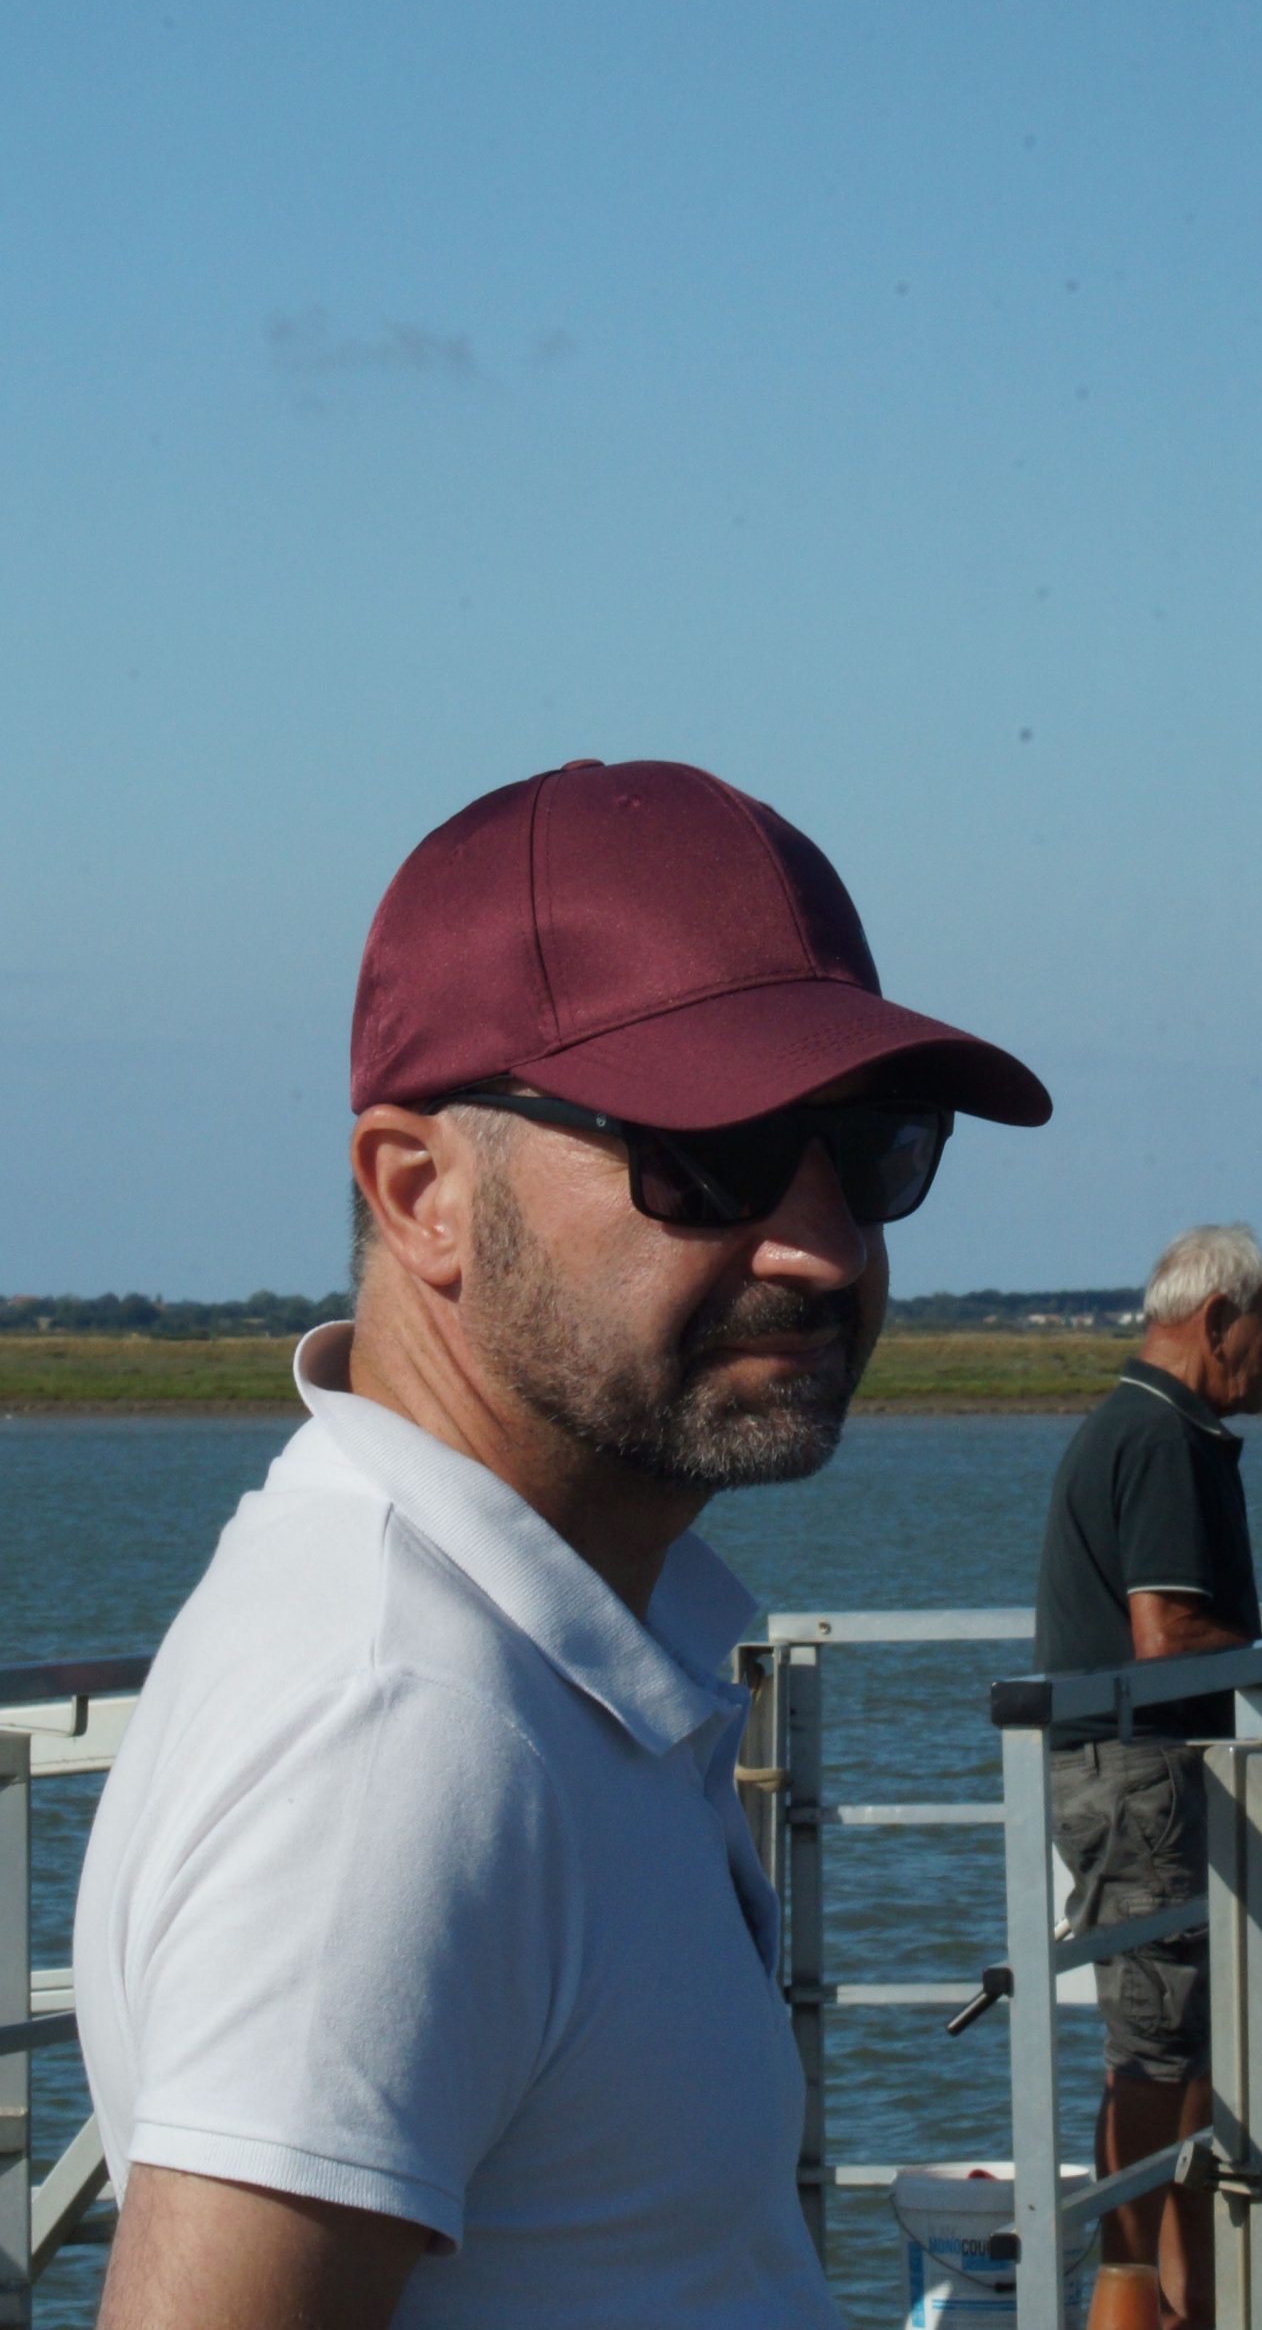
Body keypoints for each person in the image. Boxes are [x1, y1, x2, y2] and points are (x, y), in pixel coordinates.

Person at [75, 756, 1051, 2330]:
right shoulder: (393, 1732)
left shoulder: (518, 1654)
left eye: (873, 1146)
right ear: (421, 1195)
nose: (824, 1246)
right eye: (712, 1153)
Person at [1034, 1223, 1262, 2330]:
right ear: (1217, 1320)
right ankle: (1126, 2302)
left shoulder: (1142, 1426)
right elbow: (1167, 1636)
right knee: (1157, 2044)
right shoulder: (1162, 1438)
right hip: (1141, 1781)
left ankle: (1189, 2301)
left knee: (1182, 2045)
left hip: (1132, 1773)